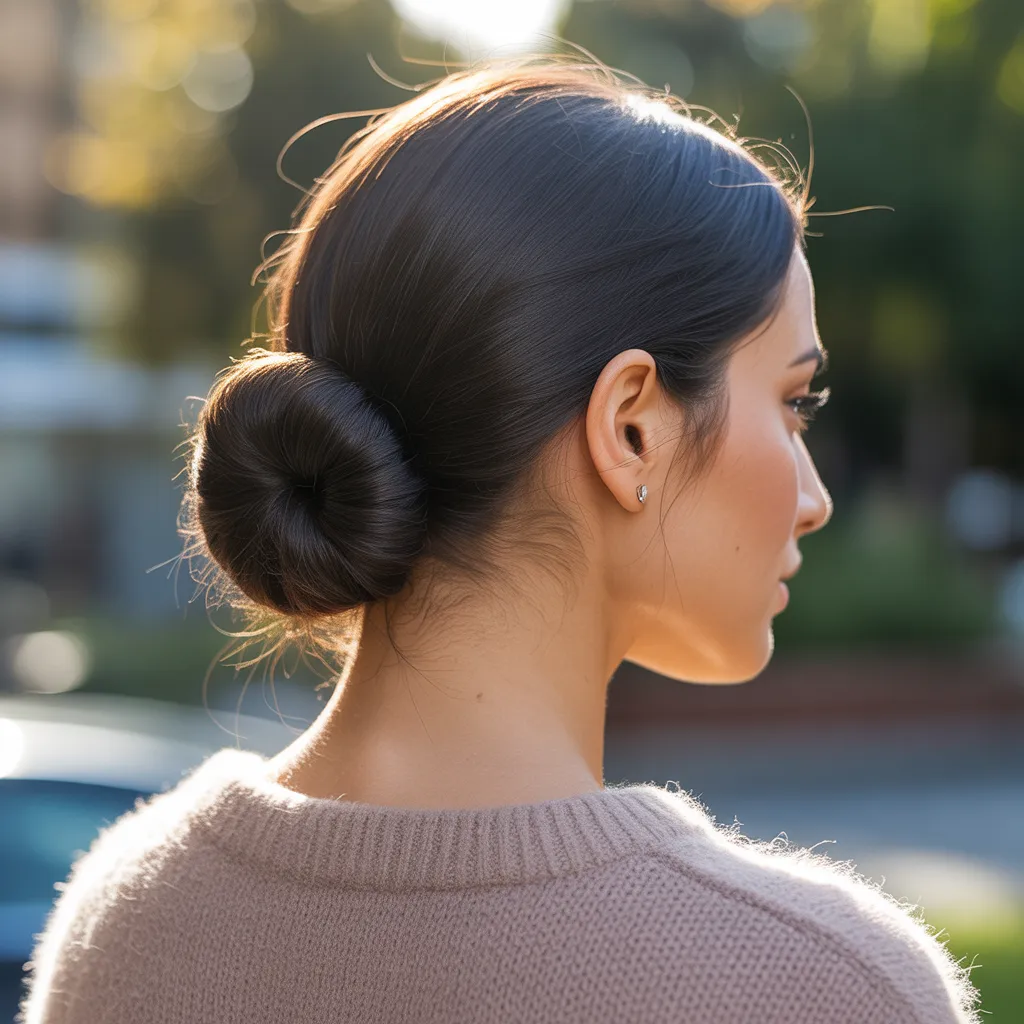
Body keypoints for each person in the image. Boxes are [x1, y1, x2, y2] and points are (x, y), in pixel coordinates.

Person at [21, 54, 980, 1024]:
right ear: (630, 425)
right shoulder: (828, 987)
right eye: (791, 401)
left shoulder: (121, 919)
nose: (813, 497)